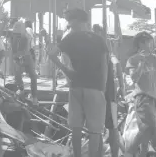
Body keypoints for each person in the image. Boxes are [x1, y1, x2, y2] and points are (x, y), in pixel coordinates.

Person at [49, 8, 109, 157]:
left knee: (76, 128)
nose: (70, 24)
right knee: (95, 130)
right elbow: (105, 64)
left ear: (77, 21)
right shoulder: (98, 39)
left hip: (75, 86)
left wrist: (67, 72)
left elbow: (51, 54)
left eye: (71, 21)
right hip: (95, 87)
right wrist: (104, 86)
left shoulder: (70, 38)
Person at [124, 31, 156, 157]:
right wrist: (141, 62)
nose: (151, 45)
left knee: (146, 134)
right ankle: (128, 153)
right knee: (148, 129)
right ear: (141, 43)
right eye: (149, 43)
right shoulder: (133, 60)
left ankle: (142, 154)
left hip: (152, 99)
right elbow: (134, 78)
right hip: (142, 98)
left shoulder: (152, 58)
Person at [92, 24, 120, 157]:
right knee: (104, 129)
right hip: (103, 95)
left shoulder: (105, 53)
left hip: (107, 96)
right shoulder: (103, 52)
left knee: (110, 128)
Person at [11, 20, 38, 105]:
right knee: (17, 73)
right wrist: (16, 58)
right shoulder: (14, 36)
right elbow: (14, 50)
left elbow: (25, 50)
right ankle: (21, 89)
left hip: (27, 55)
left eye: (18, 35)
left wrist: (19, 58)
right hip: (20, 55)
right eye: (16, 35)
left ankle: (34, 97)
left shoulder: (27, 36)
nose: (17, 36)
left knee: (33, 76)